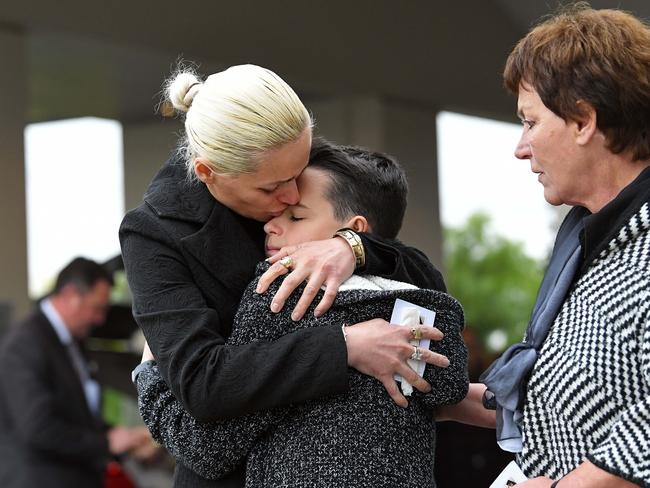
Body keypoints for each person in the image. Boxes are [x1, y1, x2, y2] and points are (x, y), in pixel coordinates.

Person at [119, 64, 449, 487]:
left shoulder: (287, 158)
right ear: (208, 173)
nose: (292, 195)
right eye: (272, 189)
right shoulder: (154, 232)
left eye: (298, 175)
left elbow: (426, 286)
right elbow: (203, 384)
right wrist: (343, 346)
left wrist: (352, 247)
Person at [441, 4, 650, 488]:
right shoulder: (591, 241)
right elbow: (577, 405)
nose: (520, 147)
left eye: (530, 122)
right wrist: (437, 400)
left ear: (583, 122)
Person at [0, 257, 151, 488]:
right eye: (97, 308)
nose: (100, 319)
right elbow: (38, 427)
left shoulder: (72, 341)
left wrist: (122, 439)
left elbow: (76, 415)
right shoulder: (24, 345)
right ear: (71, 295)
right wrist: (106, 443)